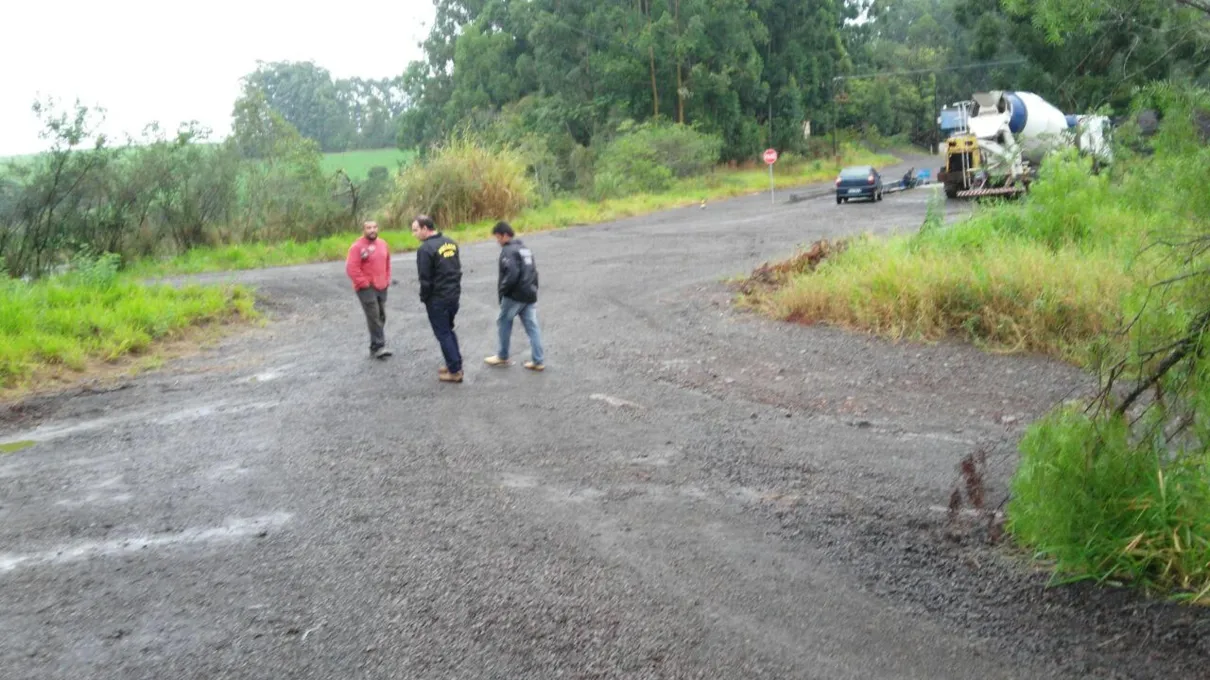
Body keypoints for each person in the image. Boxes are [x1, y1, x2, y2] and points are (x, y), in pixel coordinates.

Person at [484, 221, 545, 371]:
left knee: (503, 322)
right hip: (529, 294)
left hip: (515, 295)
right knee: (532, 327)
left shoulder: (508, 251)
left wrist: (503, 291)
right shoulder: (525, 249)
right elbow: (534, 272)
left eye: (498, 237)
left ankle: (502, 356)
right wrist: (533, 288)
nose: (497, 241)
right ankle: (538, 361)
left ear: (505, 235)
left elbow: (511, 275)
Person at [412, 215, 464, 382]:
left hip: (438, 298)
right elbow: (457, 269)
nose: (414, 234)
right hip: (453, 294)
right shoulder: (451, 243)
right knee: (448, 330)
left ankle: (455, 371)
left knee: (443, 333)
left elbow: (425, 278)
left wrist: (424, 297)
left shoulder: (425, 249)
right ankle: (454, 363)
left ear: (425, 229)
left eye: (415, 230)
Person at [345, 220, 392, 359]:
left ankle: (374, 344)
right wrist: (364, 283)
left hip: (382, 285)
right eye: (368, 228)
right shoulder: (357, 247)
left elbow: (387, 263)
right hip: (366, 288)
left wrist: (387, 278)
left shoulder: (383, 244)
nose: (372, 230)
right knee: (374, 316)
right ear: (363, 230)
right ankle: (379, 346)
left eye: (374, 227)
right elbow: (351, 268)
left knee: (381, 315)